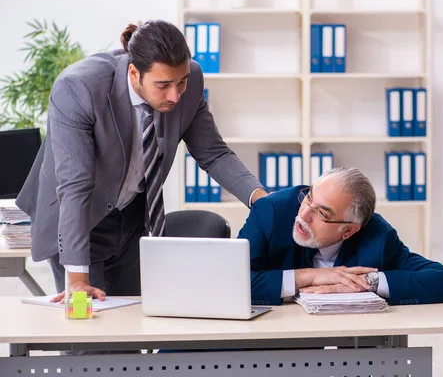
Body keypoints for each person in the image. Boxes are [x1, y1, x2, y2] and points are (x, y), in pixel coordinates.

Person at [16, 20, 267, 303]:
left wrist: (262, 200)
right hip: (80, 216)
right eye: (163, 85)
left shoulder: (191, 79)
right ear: (134, 73)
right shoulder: (79, 88)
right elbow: (75, 185)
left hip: (133, 218)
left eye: (181, 82)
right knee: (89, 331)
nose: (175, 95)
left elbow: (214, 153)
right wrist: (76, 280)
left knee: (132, 325)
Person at [238, 167, 443, 306]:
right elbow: (231, 282)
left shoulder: (377, 236)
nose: (304, 214)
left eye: (322, 213)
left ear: (349, 230)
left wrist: (368, 282)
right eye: (309, 198)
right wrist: (309, 277)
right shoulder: (271, 212)